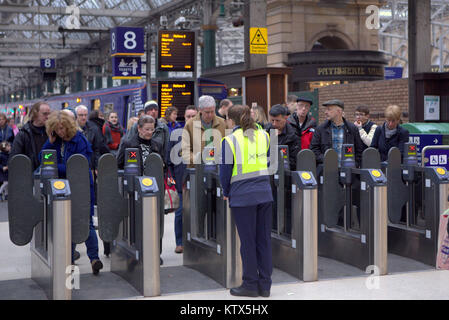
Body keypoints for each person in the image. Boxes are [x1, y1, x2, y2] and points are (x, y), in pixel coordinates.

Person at [219, 104, 273, 297]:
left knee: (248, 242)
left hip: (243, 197)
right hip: (265, 194)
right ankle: (265, 286)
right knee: (264, 241)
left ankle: (250, 284)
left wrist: (226, 191)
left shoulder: (230, 140)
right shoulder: (264, 136)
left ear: (231, 120)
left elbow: (225, 171)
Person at [41, 111, 103, 275]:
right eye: (56, 129)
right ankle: (69, 258)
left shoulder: (79, 140)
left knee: (85, 221)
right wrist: (49, 142)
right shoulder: (55, 141)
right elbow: (45, 159)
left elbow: (76, 166)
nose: (60, 132)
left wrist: (56, 167)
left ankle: (94, 258)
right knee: (66, 223)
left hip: (81, 186)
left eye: (62, 128)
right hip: (63, 187)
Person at [116, 115, 165, 265]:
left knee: (154, 221)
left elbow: (161, 162)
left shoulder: (156, 144)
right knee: (137, 221)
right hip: (135, 188)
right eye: (147, 129)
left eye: (152, 129)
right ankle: (135, 251)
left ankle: (155, 253)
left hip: (152, 188)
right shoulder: (128, 143)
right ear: (139, 128)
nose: (150, 132)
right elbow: (119, 163)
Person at [310, 99, 363, 167]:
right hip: (327, 171)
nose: (325, 112)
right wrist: (326, 160)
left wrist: (354, 165)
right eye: (325, 109)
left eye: (329, 109)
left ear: (339, 111)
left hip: (348, 172)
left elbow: (359, 151)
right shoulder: (320, 129)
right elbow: (314, 149)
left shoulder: (352, 129)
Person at [182, 95, 226, 168]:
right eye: (207, 112)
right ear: (200, 110)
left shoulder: (223, 123)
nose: (210, 115)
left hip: (218, 168)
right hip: (197, 169)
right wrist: (198, 159)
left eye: (212, 111)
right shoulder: (190, 124)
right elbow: (185, 150)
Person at [10, 101, 50, 171]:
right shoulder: (23, 135)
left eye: (49, 114)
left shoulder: (52, 132)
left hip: (49, 172)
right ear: (35, 114)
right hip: (29, 176)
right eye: (44, 114)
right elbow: (14, 158)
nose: (48, 117)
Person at [265, 104, 301, 170]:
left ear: (285, 118)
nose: (274, 124)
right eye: (272, 120)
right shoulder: (266, 131)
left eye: (278, 121)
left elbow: (294, 160)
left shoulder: (293, 135)